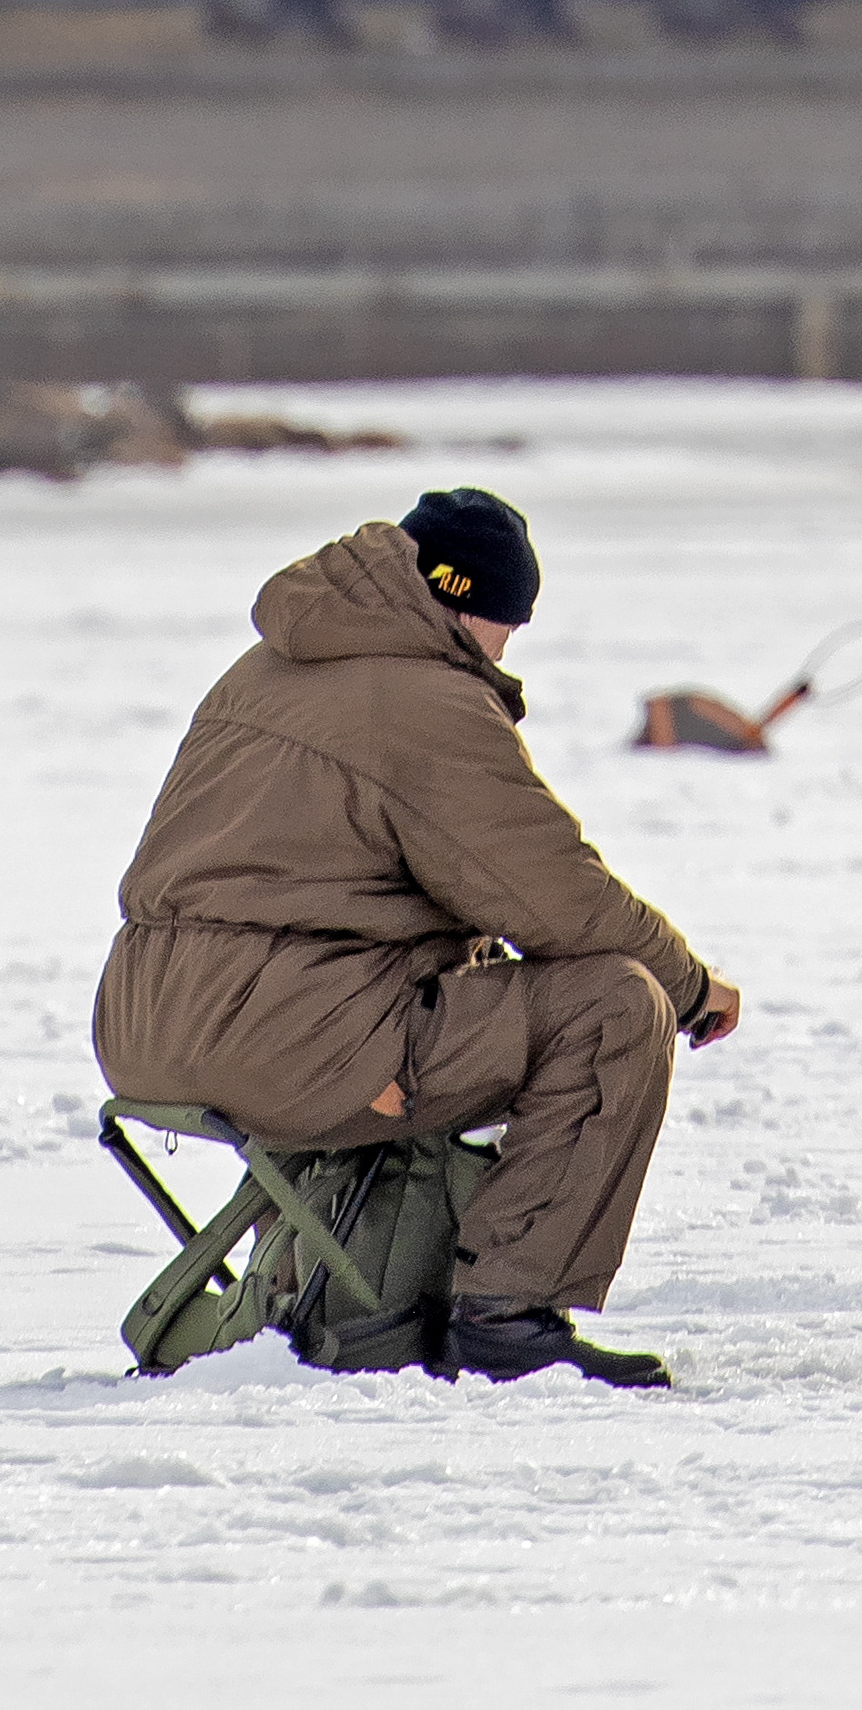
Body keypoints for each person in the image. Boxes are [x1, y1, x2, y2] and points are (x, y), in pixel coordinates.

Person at [94, 486, 739, 1391]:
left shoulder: (267, 666)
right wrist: (692, 986)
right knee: (617, 1007)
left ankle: (354, 1293)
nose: (508, 648)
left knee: (471, 990)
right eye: (510, 623)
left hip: (144, 1025)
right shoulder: (423, 699)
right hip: (288, 1042)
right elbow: (556, 895)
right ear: (469, 604)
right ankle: (508, 1316)